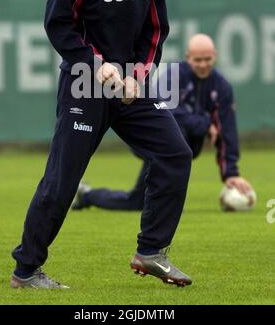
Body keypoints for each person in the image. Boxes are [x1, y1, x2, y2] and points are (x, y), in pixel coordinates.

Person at [10, 0, 193, 289]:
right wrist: (97, 65)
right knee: (62, 182)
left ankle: (151, 252)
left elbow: (156, 28)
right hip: (83, 85)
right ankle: (25, 271)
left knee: (175, 154)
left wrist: (137, 76)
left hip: (131, 86)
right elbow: (58, 24)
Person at [71, 34, 253, 212]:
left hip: (182, 150)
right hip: (154, 141)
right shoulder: (173, 75)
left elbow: (227, 130)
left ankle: (85, 195)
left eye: (208, 59)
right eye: (198, 60)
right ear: (188, 57)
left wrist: (230, 173)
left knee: (137, 202)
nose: (203, 64)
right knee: (175, 129)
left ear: (215, 56)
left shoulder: (222, 87)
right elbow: (167, 113)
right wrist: (205, 124)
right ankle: (87, 195)